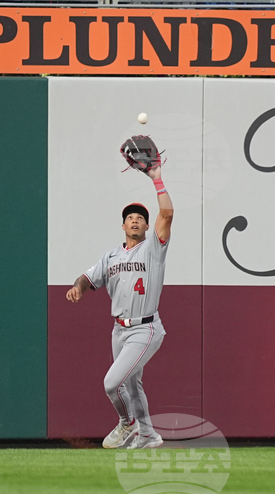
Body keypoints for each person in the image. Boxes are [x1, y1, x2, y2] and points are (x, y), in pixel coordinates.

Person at [64, 152, 173, 451]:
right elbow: (88, 277)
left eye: (140, 218)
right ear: (123, 226)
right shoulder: (111, 256)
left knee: (113, 383)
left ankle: (128, 424)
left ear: (146, 228)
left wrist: (157, 180)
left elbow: (166, 215)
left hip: (145, 328)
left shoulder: (153, 249)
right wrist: (78, 288)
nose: (135, 220)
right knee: (133, 384)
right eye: (130, 218)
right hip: (119, 330)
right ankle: (149, 434)